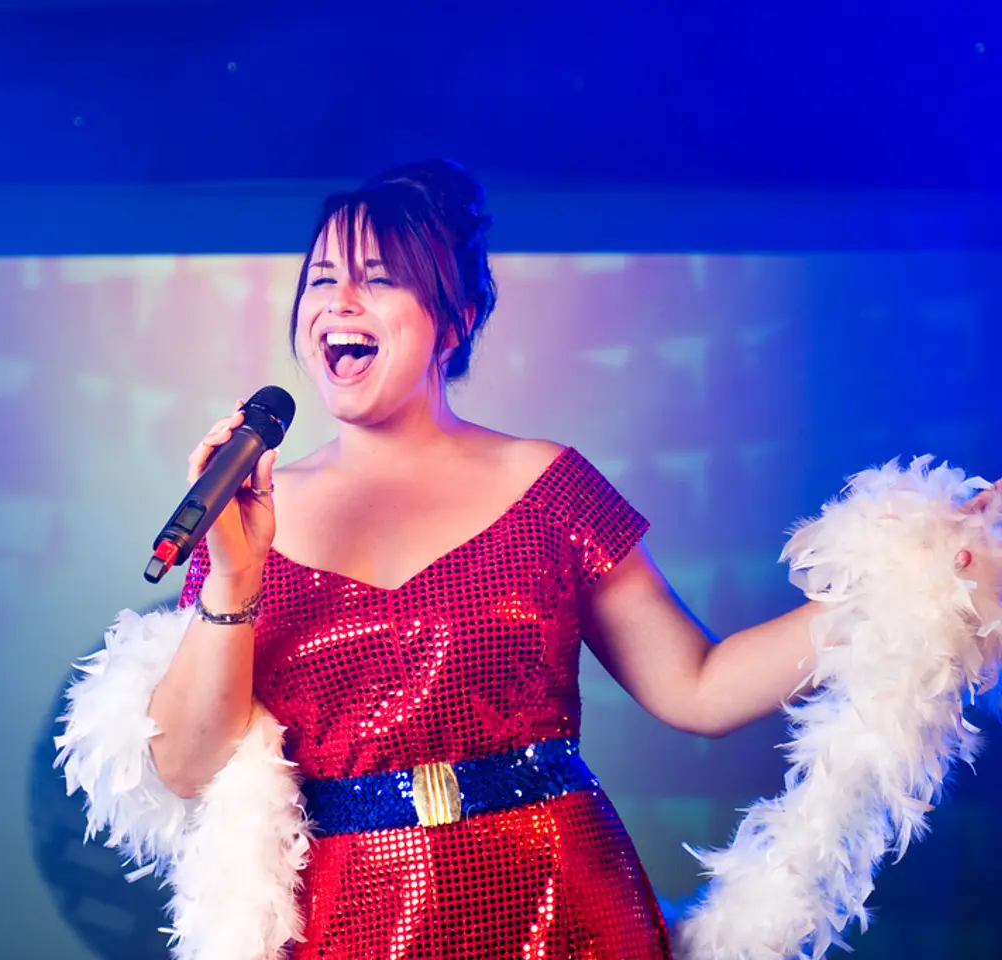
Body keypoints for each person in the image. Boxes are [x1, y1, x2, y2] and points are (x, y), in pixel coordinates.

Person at [56, 159, 1000, 960]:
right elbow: (186, 765)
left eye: (378, 277)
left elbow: (700, 688)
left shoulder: (545, 483)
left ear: (454, 319)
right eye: (320, 280)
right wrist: (233, 578)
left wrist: (918, 572)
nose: (337, 301)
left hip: (559, 901)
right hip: (344, 922)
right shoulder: (250, 511)